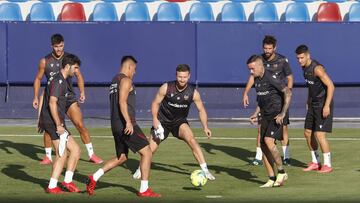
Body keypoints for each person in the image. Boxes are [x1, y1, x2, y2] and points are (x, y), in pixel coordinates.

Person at [86, 56, 161, 197]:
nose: (135, 73)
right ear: (129, 67)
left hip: (115, 125)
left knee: (122, 158)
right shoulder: (126, 80)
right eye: (135, 69)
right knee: (147, 152)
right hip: (126, 124)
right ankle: (144, 189)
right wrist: (128, 122)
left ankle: (94, 177)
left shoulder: (114, 81)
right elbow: (122, 102)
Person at [132, 64, 215, 181]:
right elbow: (155, 103)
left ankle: (205, 170)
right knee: (150, 149)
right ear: (176, 75)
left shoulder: (193, 92)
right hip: (162, 121)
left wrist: (205, 127)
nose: (182, 79)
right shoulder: (166, 87)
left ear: (189, 76)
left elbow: (201, 109)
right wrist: (155, 120)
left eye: (185, 77)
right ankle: (140, 169)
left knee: (192, 139)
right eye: (180, 77)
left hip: (179, 122)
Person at [33, 34, 102, 164]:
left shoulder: (70, 59)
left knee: (80, 124)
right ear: (51, 46)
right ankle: (48, 156)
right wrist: (35, 97)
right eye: (56, 46)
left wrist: (82, 91)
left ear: (64, 44)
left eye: (61, 46)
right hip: (53, 96)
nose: (59, 49)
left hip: (68, 97)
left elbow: (79, 75)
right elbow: (37, 79)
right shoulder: (45, 61)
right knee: (48, 126)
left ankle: (91, 154)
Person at [243, 35, 293, 166]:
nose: (267, 51)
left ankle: (286, 156)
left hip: (280, 101)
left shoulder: (282, 60)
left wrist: (288, 92)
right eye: (265, 48)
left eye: (269, 48)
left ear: (275, 48)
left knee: (284, 129)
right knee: (261, 129)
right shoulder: (259, 61)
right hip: (265, 100)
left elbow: (290, 77)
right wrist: (246, 92)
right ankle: (258, 157)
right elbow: (252, 78)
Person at [39, 54, 82, 194]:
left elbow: (44, 97)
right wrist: (58, 124)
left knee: (74, 150)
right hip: (53, 122)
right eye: (75, 68)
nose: (76, 71)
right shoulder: (59, 81)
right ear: (68, 66)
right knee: (62, 154)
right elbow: (52, 102)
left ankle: (66, 182)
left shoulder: (60, 79)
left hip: (54, 121)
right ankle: (53, 186)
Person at [247, 55, 292, 187]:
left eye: (252, 68)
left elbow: (288, 92)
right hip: (265, 116)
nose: (251, 72)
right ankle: (271, 178)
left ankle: (282, 171)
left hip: (276, 115)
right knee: (263, 146)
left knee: (268, 140)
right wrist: (256, 113)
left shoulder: (272, 78)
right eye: (249, 69)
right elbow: (261, 100)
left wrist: (283, 113)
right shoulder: (256, 80)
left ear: (260, 66)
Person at [295, 45, 334, 173]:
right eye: (298, 58)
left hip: (323, 104)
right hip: (313, 104)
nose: (299, 60)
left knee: (319, 134)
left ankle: (327, 164)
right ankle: (316, 162)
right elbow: (312, 87)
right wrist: (308, 100)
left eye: (301, 58)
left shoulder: (317, 69)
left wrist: (327, 105)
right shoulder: (304, 68)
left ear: (308, 56)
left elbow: (331, 86)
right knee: (307, 133)